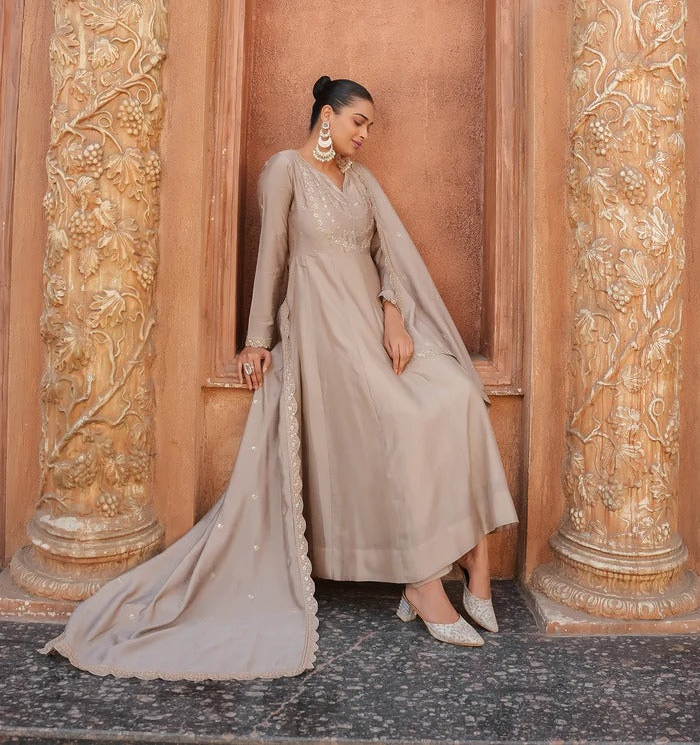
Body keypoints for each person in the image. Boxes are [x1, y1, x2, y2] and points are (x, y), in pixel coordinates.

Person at [39, 75, 518, 680]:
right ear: (327, 116)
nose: (365, 134)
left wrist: (395, 317)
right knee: (402, 418)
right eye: (359, 121)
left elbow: (390, 257)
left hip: (373, 326)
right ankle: (422, 582)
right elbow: (271, 257)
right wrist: (257, 339)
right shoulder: (284, 171)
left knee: (457, 394)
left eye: (370, 126)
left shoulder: (361, 181)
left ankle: (474, 560)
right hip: (323, 330)